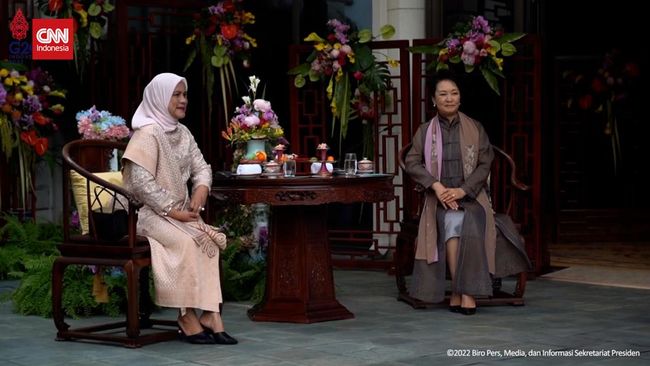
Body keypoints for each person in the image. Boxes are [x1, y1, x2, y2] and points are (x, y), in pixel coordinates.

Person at [122, 73, 237, 344]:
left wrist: (200, 191)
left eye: (185, 94)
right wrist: (173, 211)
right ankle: (186, 316)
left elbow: (201, 167)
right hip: (151, 216)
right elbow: (140, 184)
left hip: (182, 213)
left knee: (207, 239)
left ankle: (210, 314)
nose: (183, 100)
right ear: (160, 98)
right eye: (177, 94)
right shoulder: (147, 134)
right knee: (189, 241)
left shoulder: (183, 133)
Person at [404, 72, 496, 315]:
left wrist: (462, 190)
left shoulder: (475, 127)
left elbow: (485, 164)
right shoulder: (425, 131)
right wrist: (437, 186)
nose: (449, 98)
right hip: (439, 200)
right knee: (453, 220)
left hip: (472, 198)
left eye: (454, 93)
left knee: (466, 221)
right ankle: (465, 292)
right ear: (434, 100)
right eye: (443, 94)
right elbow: (412, 163)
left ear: (460, 97)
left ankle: (459, 292)